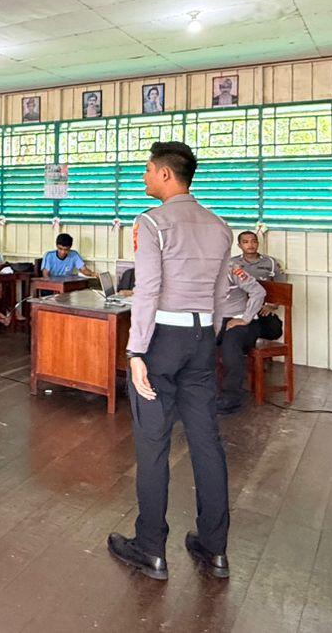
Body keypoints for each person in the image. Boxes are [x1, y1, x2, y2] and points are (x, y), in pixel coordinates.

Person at [107, 141, 235, 581]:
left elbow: (148, 290)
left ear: (165, 174)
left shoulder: (152, 223)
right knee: (206, 441)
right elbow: (221, 295)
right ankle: (214, 548)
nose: (143, 178)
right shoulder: (220, 226)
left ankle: (150, 548)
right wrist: (208, 337)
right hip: (202, 337)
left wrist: (136, 350)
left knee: (153, 442)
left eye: (146, 171)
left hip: (161, 338)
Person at [217, 231, 282, 414]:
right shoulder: (197, 269)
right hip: (216, 319)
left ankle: (231, 398)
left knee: (231, 345)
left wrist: (244, 319)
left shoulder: (232, 268)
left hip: (241, 319)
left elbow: (259, 292)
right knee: (195, 344)